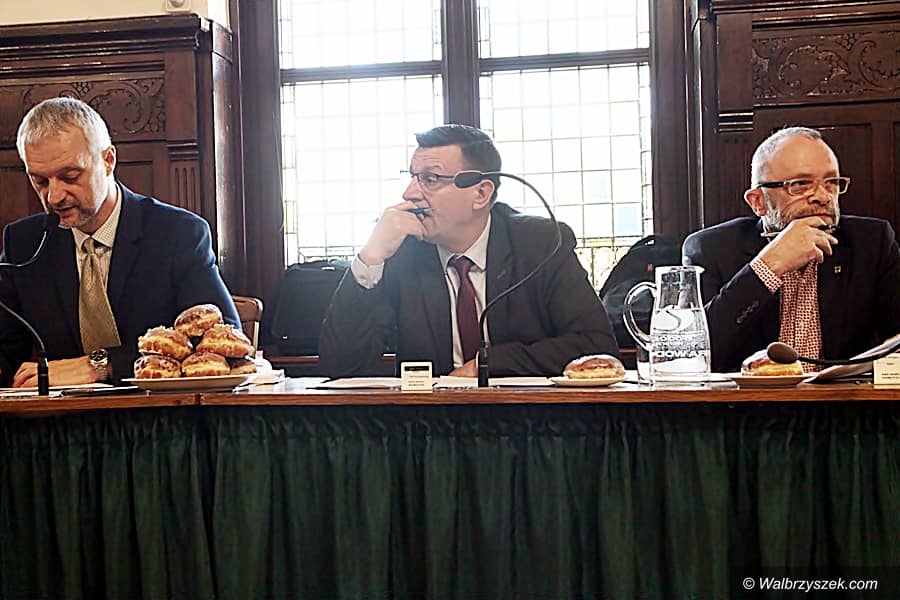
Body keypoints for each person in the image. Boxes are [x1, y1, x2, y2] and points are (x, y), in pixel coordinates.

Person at [319, 124, 618, 378]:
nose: (410, 193)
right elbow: (342, 366)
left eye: (430, 179)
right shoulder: (402, 250)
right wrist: (370, 257)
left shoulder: (540, 244)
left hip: (528, 419)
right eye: (412, 177)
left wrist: (487, 365)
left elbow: (596, 346)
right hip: (430, 422)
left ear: (480, 193)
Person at [0, 97, 239, 387]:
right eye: (40, 181)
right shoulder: (22, 243)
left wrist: (99, 366)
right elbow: (5, 353)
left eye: (70, 176)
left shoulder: (178, 234)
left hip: (160, 409)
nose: (54, 196)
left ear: (108, 160)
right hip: (60, 414)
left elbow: (220, 340)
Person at [683, 126, 900, 372]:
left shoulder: (872, 243)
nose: (823, 197)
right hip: (750, 397)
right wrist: (768, 267)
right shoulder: (710, 249)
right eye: (801, 185)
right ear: (758, 202)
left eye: (831, 183)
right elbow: (693, 353)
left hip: (847, 395)